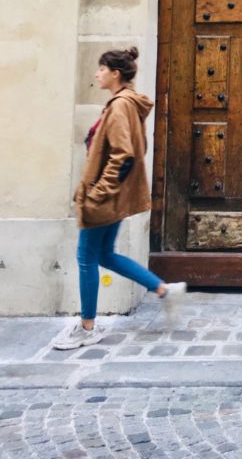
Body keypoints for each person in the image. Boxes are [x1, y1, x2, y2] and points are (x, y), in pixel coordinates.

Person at [53, 47, 186, 349]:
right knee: (105, 255)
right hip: (112, 196)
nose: (96, 74)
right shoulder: (125, 104)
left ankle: (87, 327)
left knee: (86, 257)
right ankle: (163, 290)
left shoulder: (120, 106)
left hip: (104, 198)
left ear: (115, 73)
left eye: (101, 69)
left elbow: (123, 155)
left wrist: (98, 193)